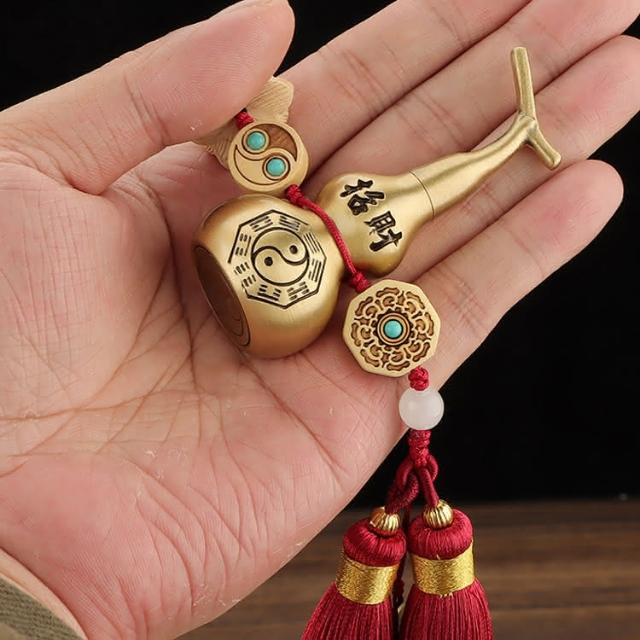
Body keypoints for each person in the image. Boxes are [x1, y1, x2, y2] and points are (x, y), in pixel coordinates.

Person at [0, 0, 638, 637]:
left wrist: (33, 586)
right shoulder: (325, 237)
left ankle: (521, 130)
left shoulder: (355, 237)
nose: (279, 256)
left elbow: (427, 189)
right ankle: (521, 130)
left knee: (432, 190)